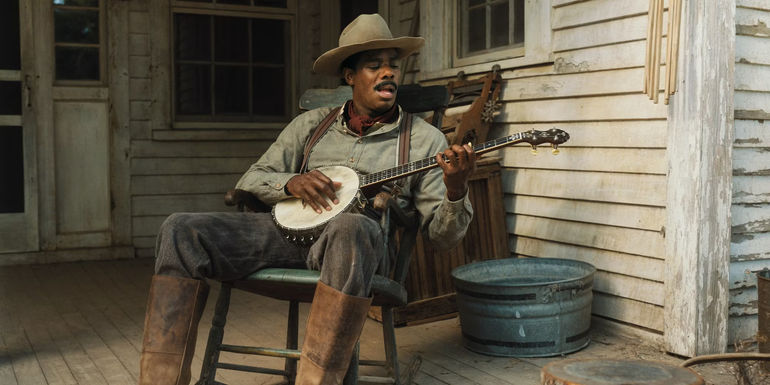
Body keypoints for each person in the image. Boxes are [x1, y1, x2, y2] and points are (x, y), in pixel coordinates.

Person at [138, 13, 475, 385]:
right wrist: (292, 183)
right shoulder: (312, 125)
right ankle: (162, 380)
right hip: (288, 235)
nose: (388, 73)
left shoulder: (425, 140)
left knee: (352, 227)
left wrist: (456, 189)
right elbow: (252, 178)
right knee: (180, 229)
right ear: (349, 76)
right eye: (374, 66)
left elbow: (444, 238)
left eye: (393, 66)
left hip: (359, 249)